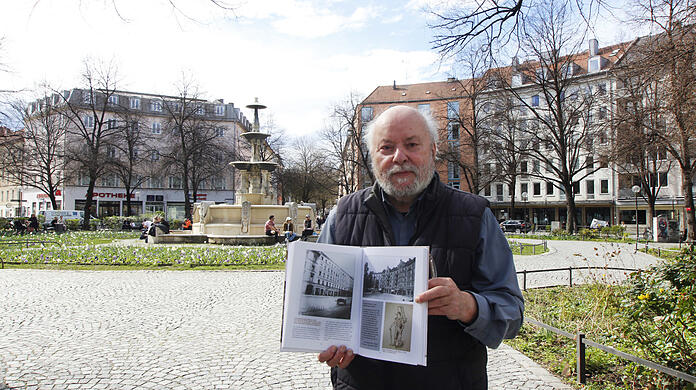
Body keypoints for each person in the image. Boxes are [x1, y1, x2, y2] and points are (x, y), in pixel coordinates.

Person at [316, 106, 524, 389]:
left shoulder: (475, 216)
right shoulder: (341, 216)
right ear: (373, 157)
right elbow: (314, 309)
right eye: (386, 147)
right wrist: (328, 343)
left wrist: (468, 306)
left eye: (411, 145)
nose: (399, 157)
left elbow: (511, 313)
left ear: (434, 150)